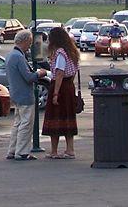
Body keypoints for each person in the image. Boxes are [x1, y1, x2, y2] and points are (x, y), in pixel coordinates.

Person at [4, 30, 47, 161]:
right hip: (24, 94)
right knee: (26, 124)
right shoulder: (19, 57)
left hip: (16, 93)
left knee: (17, 123)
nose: (30, 45)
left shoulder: (10, 55)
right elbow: (28, 77)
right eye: (29, 42)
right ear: (24, 41)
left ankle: (13, 150)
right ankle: (22, 152)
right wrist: (40, 74)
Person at [42, 27, 80, 159]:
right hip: (69, 86)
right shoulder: (71, 52)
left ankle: (54, 151)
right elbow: (73, 72)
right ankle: (70, 149)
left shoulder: (60, 53)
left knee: (55, 118)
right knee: (68, 118)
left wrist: (55, 94)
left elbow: (59, 73)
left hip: (60, 87)